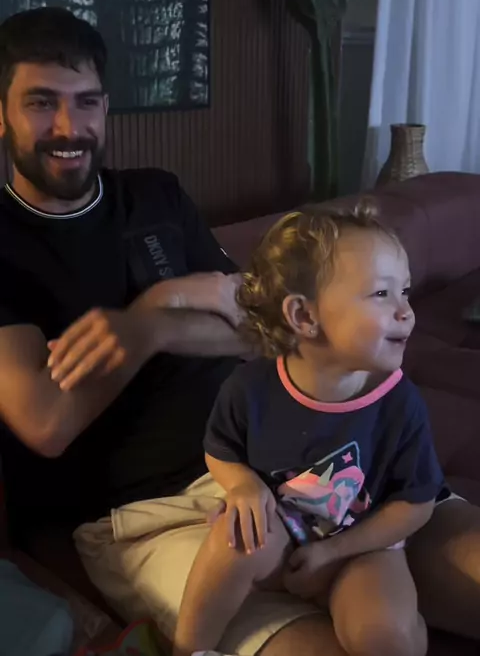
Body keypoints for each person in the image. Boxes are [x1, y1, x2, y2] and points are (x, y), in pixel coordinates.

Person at [0, 6, 479, 656]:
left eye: (86, 102)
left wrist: (153, 320)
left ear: (106, 107)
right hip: (154, 511)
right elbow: (46, 422)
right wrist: (155, 321)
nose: (68, 127)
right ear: (2, 113)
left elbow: (270, 330)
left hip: (310, 450)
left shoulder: (156, 198)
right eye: (40, 103)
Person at [172, 205, 444, 656]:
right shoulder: (248, 388)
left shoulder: (399, 402)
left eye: (406, 291)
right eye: (382, 293)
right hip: (280, 531)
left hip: (361, 548)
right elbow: (221, 449)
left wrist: (333, 552)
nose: (407, 311)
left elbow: (415, 505)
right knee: (230, 539)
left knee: (385, 636)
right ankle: (187, 650)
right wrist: (241, 485)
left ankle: (411, 618)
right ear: (304, 316)